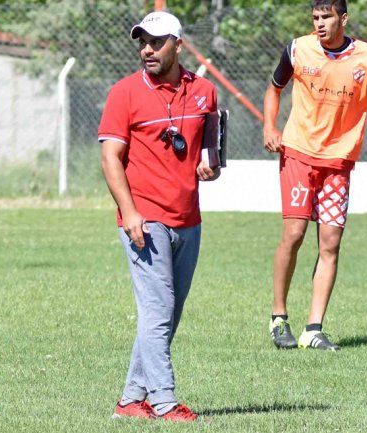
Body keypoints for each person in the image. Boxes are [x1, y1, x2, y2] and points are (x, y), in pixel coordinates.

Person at [98, 11, 219, 422]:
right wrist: (129, 213)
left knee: (168, 314)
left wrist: (211, 166)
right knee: (158, 310)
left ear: (178, 45)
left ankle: (131, 400)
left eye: (156, 41)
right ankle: (164, 402)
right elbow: (110, 158)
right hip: (145, 220)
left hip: (189, 219)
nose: (147, 49)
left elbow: (211, 150)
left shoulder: (204, 91)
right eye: (142, 42)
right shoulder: (124, 93)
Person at [263, 0, 367, 350]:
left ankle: (313, 329)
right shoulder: (298, 49)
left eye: (327, 17)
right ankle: (278, 319)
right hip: (298, 155)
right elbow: (274, 90)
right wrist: (269, 127)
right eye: (315, 18)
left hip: (339, 162)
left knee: (331, 243)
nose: (319, 24)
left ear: (343, 19)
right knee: (294, 234)